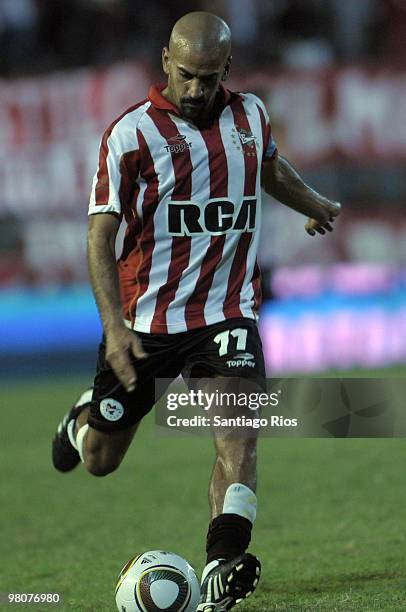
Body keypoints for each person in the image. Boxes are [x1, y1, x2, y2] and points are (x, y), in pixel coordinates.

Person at [52, 11, 340, 611]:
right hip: (146, 326)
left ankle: (222, 564)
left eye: (208, 79)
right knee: (102, 459)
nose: (195, 90)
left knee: (239, 438)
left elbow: (266, 166)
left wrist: (310, 201)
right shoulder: (129, 136)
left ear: (226, 72)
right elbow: (99, 236)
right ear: (165, 61)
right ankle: (82, 420)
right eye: (186, 75)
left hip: (228, 315)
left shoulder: (250, 115)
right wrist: (111, 329)